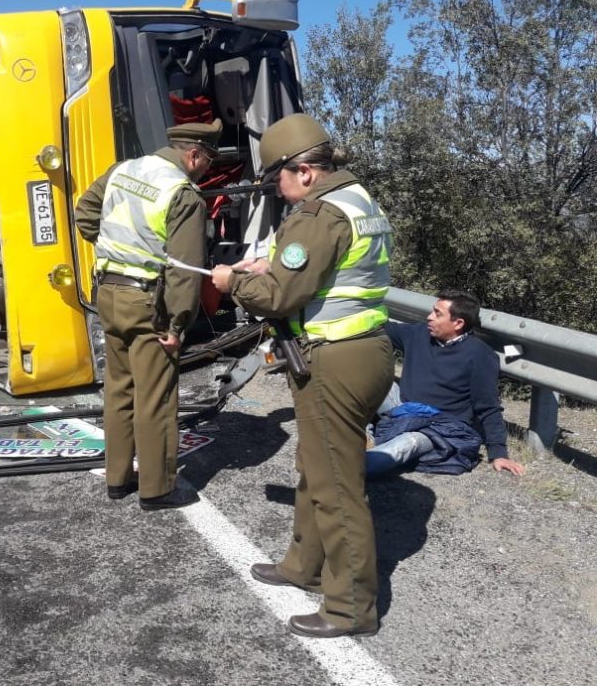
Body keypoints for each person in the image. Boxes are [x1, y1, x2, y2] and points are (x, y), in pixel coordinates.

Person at [211, 113, 393, 639]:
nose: (278, 189)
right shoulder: (360, 202)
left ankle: (350, 606)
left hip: (335, 357)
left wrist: (230, 283)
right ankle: (303, 565)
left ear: (305, 172)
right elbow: (322, 271)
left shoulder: (319, 214)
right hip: (362, 350)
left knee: (337, 486)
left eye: (278, 179)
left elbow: (280, 297)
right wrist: (269, 266)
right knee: (318, 467)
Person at [74, 119, 222, 510]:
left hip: (108, 292)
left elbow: (85, 213)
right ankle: (157, 489)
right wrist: (178, 323)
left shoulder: (123, 170)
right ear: (193, 154)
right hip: (147, 303)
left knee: (119, 389)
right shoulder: (183, 194)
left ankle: (118, 479)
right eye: (208, 160)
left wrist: (117, 249)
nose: (208, 168)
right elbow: (184, 269)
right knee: (155, 397)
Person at [366, 290, 526, 478]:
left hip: (438, 428)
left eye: (437, 314)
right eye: (432, 311)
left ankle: (348, 471)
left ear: (458, 323)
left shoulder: (479, 355)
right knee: (363, 376)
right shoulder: (418, 334)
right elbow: (379, 330)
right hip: (402, 408)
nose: (429, 317)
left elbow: (488, 406)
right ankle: (362, 434)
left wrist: (499, 454)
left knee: (409, 443)